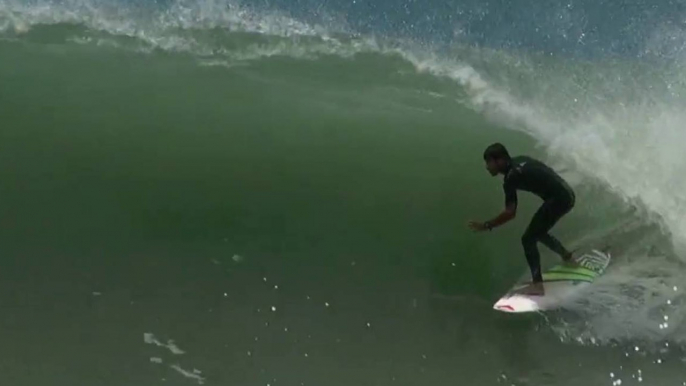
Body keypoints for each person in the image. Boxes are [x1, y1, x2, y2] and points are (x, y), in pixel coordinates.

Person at [468, 143, 578, 295]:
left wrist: (487, 225)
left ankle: (538, 285)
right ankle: (567, 257)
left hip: (559, 199)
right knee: (538, 232)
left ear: (499, 160)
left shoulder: (511, 177)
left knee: (528, 239)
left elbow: (510, 213)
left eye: (489, 162)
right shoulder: (521, 159)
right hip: (567, 193)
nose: (487, 167)